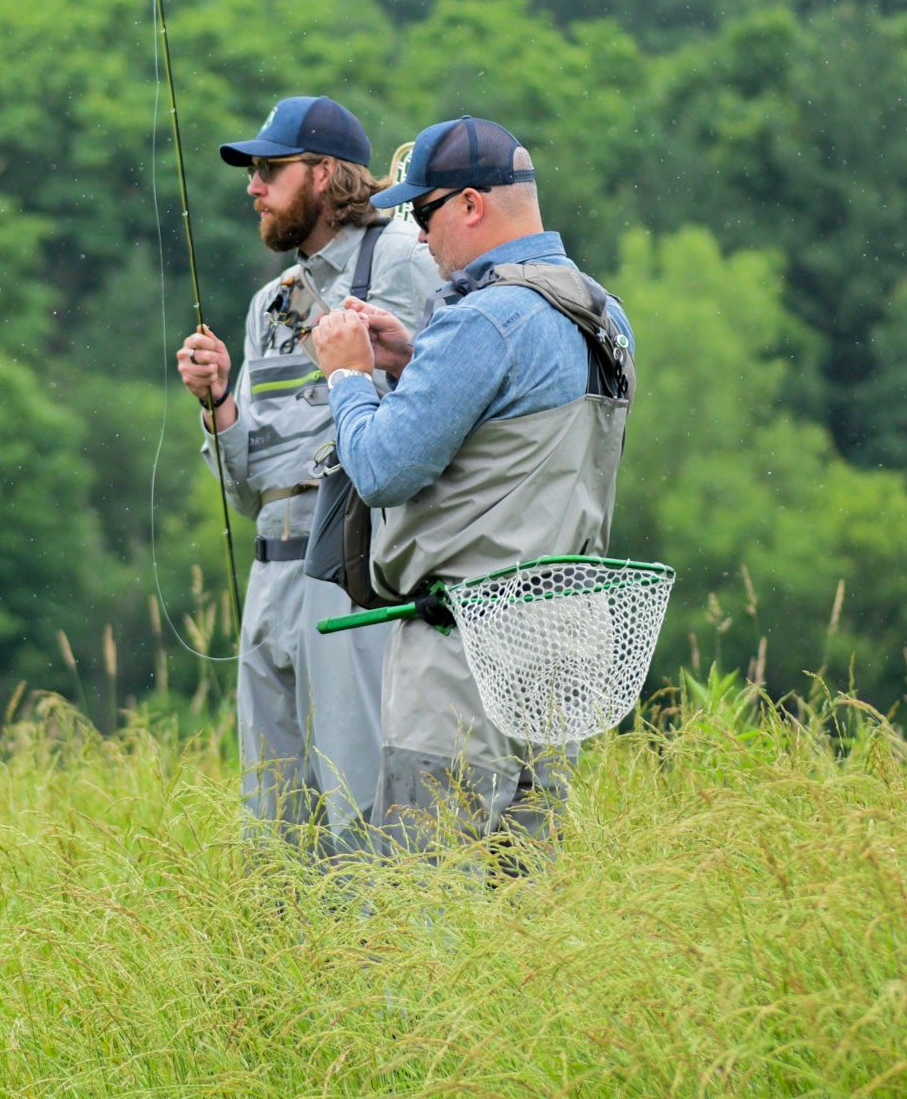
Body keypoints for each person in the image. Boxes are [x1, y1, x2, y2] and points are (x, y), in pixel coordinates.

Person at [309, 115, 635, 861]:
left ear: (469, 205)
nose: (418, 237)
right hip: (566, 646)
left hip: (465, 651)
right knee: (525, 907)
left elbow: (384, 465)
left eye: (423, 213)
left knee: (428, 900)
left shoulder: (482, 319)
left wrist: (349, 375)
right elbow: (521, 443)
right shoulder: (603, 316)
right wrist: (417, 356)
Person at [175, 95, 440, 857]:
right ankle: (286, 973)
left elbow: (436, 407)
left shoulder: (403, 260)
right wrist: (219, 400)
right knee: (273, 821)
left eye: (269, 170)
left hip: (352, 569)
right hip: (269, 578)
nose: (252, 186)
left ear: (324, 175)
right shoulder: (269, 304)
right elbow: (249, 480)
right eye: (252, 172)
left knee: (358, 805)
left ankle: (373, 964)